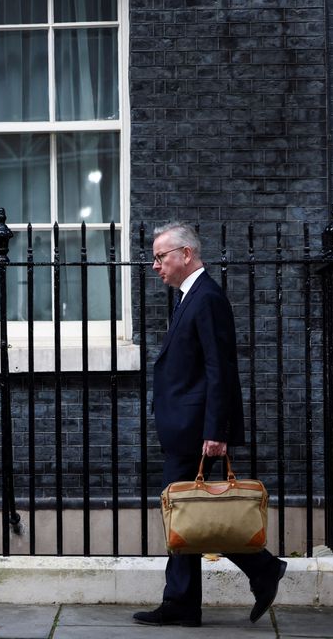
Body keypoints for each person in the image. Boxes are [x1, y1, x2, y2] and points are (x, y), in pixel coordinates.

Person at [133, 222, 287, 627]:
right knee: (187, 513)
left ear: (185, 254)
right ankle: (193, 598)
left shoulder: (207, 298)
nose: (155, 266)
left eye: (160, 257)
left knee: (186, 512)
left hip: (197, 428)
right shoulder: (191, 297)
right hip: (186, 426)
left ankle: (255, 571)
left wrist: (216, 432)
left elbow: (221, 369)